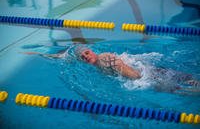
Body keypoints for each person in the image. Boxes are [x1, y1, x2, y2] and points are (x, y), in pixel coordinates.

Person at [22, 46, 200, 94]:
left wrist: (152, 84)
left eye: (86, 52)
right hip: (148, 69)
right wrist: (38, 53)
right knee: (189, 80)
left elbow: (136, 75)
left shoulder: (105, 59)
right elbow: (63, 56)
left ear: (91, 51)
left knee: (184, 87)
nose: (85, 56)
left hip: (148, 73)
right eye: (82, 57)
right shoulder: (97, 63)